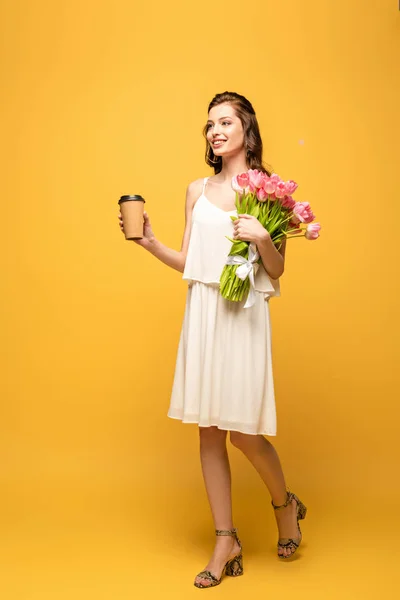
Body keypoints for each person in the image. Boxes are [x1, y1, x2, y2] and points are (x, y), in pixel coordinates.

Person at [118, 91, 307, 588]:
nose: (215, 131)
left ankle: (285, 505)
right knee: (207, 432)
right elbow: (192, 262)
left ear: (247, 127)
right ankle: (227, 539)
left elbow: (278, 266)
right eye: (209, 125)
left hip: (242, 316)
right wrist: (150, 242)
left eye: (225, 121)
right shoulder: (195, 190)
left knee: (243, 432)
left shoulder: (268, 191)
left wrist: (262, 237)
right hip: (203, 311)